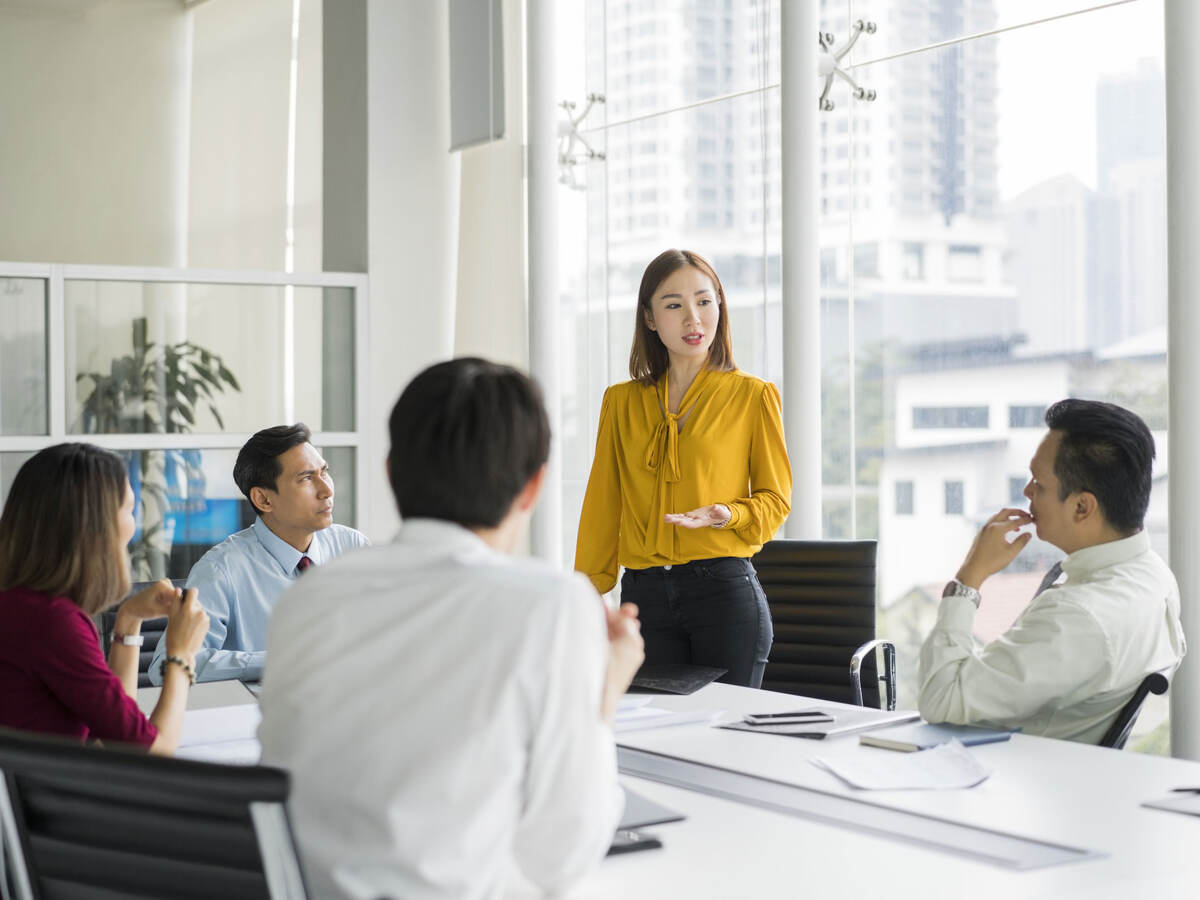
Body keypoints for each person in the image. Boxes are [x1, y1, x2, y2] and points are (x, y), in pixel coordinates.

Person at [258, 358, 644, 900]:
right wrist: (603, 696)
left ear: (391, 473)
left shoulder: (312, 595)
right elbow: (561, 858)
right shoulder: (552, 604)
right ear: (533, 487)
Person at [574, 248, 791, 688]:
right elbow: (602, 502)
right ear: (651, 319)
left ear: (719, 307)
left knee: (727, 744)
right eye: (674, 305)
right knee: (655, 741)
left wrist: (728, 513)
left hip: (724, 594)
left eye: (704, 301)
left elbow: (776, 499)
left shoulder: (753, 396)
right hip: (644, 596)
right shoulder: (621, 403)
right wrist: (586, 590)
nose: (693, 318)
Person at [919, 399, 1186, 744]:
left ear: (1081, 506)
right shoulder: (1153, 575)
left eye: (1038, 484)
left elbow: (940, 699)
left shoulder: (1077, 616)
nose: (1027, 492)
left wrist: (969, 578)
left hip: (1010, 779)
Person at [0, 443, 208, 755]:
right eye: (128, 509)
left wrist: (129, 620)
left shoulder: (22, 606)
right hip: (52, 800)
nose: (133, 526)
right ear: (95, 527)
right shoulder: (53, 622)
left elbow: (112, 736)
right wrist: (180, 656)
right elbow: (154, 754)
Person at [148, 423, 369, 684]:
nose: (327, 490)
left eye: (324, 472)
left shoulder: (351, 547)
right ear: (264, 499)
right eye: (306, 478)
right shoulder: (222, 570)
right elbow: (164, 667)